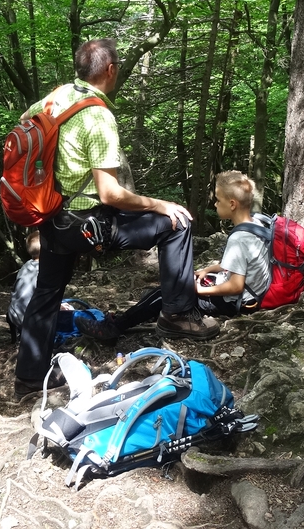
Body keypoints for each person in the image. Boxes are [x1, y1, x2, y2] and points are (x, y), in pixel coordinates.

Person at [13, 39, 220, 399]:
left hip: (52, 217)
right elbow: (110, 194)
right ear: (111, 70)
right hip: (89, 225)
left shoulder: (54, 99)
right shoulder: (98, 117)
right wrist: (160, 204)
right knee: (178, 223)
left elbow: (24, 127)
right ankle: (177, 315)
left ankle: (30, 378)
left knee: (47, 292)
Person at [77, 171, 271, 340]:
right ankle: (148, 311)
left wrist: (198, 290)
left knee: (166, 293)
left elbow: (235, 286)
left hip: (234, 302)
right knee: (174, 288)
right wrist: (208, 270)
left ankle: (114, 328)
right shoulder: (256, 224)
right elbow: (242, 265)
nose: (215, 203)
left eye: (218, 200)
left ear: (232, 204)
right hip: (250, 296)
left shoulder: (239, 239)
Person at [6, 231, 41, 341]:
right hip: (28, 319)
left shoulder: (26, 265)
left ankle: (17, 336)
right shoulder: (43, 271)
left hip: (13, 312)